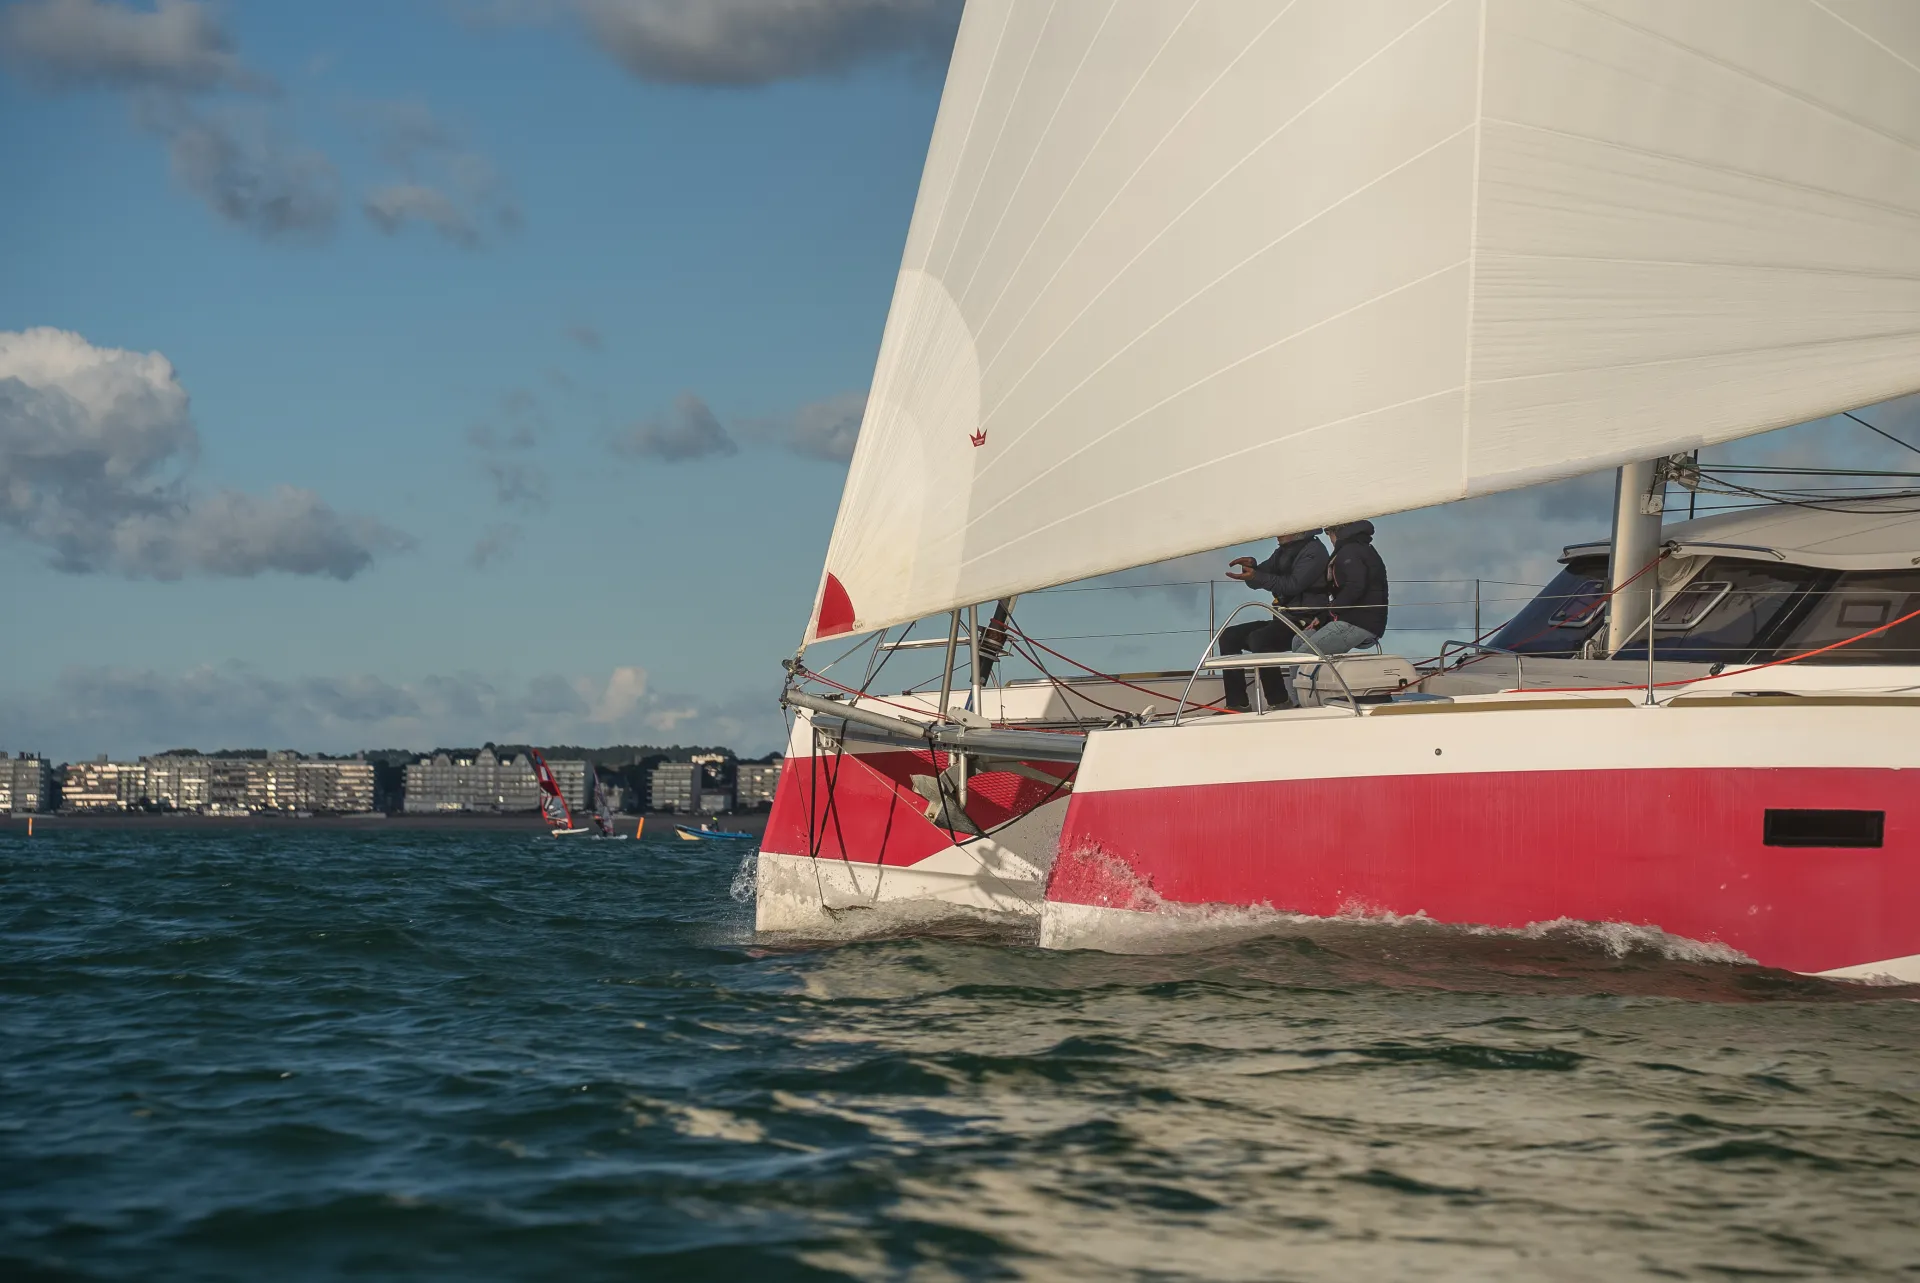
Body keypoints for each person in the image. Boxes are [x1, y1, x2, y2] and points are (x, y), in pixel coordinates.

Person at [1218, 531, 1329, 711]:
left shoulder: (1314, 551)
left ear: (1300, 531)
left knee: (1260, 639)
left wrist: (1257, 576)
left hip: (1306, 622)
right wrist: (1253, 568)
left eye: (1283, 529)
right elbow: (1256, 581)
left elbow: (1293, 585)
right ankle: (1237, 704)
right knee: (1229, 636)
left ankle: (1279, 702)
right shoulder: (1283, 552)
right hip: (1283, 621)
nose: (1277, 533)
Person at [1306, 520, 1389, 655]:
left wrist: (1331, 610)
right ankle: (1310, 675)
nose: (1330, 539)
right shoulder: (1359, 548)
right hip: (1355, 620)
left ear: (1336, 532)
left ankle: (1303, 676)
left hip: (1359, 622)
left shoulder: (1350, 551)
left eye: (1328, 533)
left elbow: (1355, 586)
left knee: (1304, 654)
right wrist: (1323, 617)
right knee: (1299, 641)